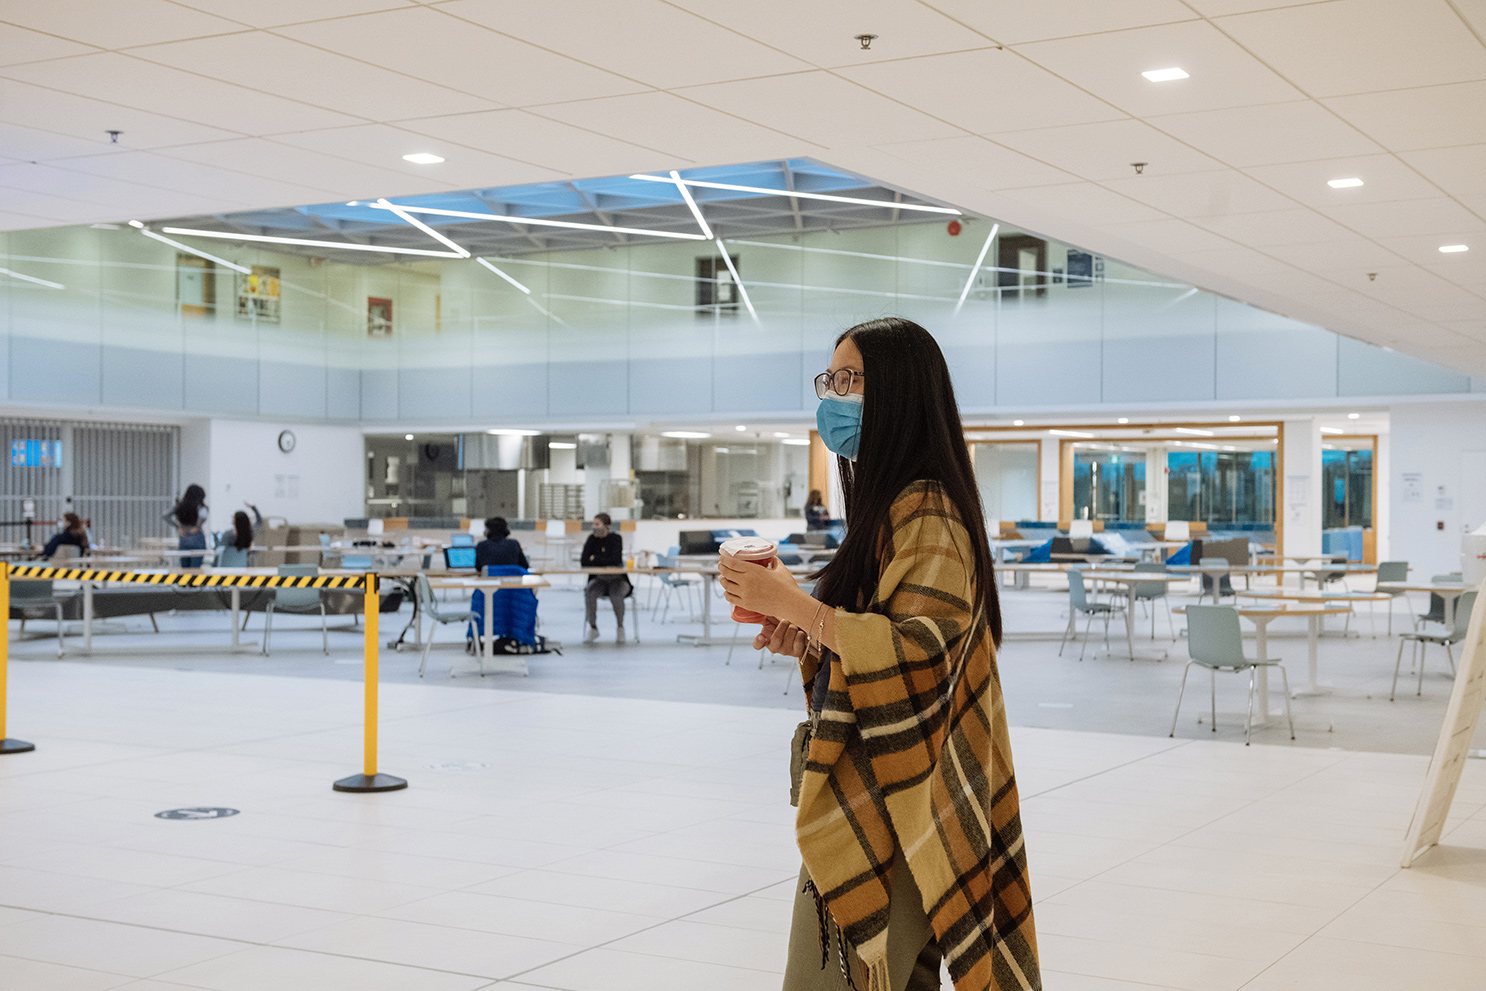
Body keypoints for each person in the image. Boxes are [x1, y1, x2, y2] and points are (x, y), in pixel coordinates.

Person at [720, 318, 1040, 991]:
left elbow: (921, 651)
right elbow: (876, 635)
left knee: (837, 978)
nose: (833, 397)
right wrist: (805, 635)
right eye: (829, 380)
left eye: (851, 380)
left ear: (898, 392)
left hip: (898, 798)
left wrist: (796, 606)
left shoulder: (927, 506)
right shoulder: (892, 505)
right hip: (889, 789)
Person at [581, 513, 630, 644]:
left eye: (597, 524)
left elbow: (615, 560)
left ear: (606, 526)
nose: (594, 527)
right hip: (600, 580)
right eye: (594, 524)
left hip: (618, 580)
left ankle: (620, 627)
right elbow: (584, 561)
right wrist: (601, 561)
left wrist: (595, 558)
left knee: (616, 594)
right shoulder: (591, 539)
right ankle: (593, 628)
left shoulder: (616, 539)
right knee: (590, 592)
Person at [165, 484, 208, 568]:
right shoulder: (200, 507)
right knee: (196, 569)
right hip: (197, 537)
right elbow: (203, 516)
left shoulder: (180, 506)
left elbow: (165, 515)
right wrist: (198, 526)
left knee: (184, 570)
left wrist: (178, 526)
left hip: (184, 537)